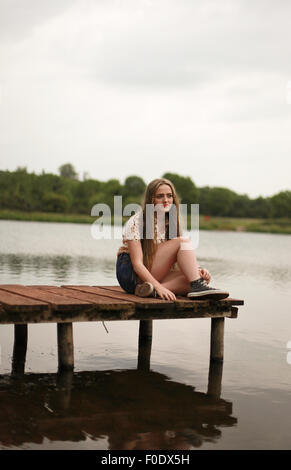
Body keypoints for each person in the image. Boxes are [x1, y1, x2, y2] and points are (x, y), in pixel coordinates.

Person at [116, 178, 229, 301]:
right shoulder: (137, 221)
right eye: (160, 196)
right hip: (131, 275)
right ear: (151, 199)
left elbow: (180, 259)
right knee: (183, 242)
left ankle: (150, 291)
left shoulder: (170, 222)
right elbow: (137, 264)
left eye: (169, 196)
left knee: (200, 278)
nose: (166, 200)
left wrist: (199, 270)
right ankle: (162, 288)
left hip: (150, 275)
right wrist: (159, 286)